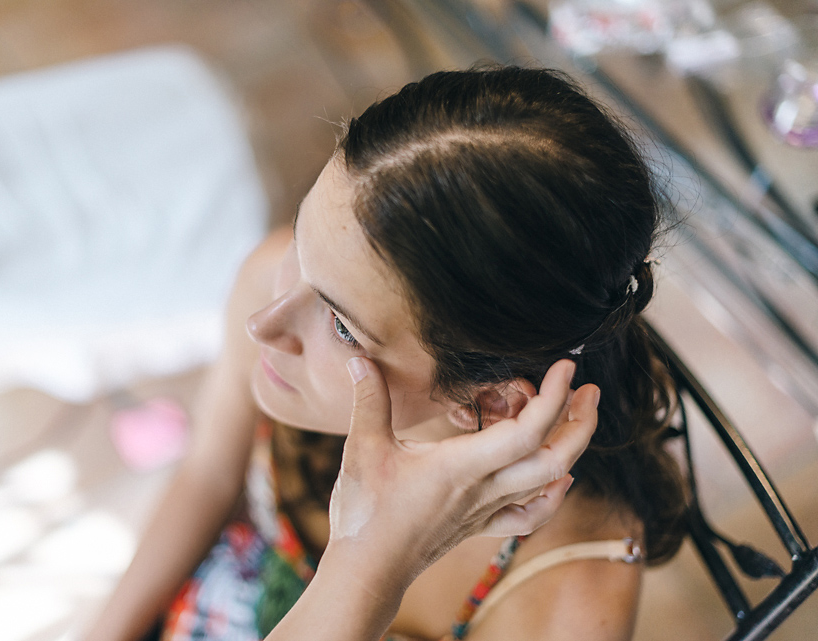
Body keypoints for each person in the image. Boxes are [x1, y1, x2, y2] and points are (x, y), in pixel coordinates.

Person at [84, 64, 686, 641]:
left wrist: (373, 563)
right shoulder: (280, 280)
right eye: (301, 237)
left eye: (343, 327)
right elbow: (208, 474)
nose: (264, 323)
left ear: (493, 401)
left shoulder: (565, 603)